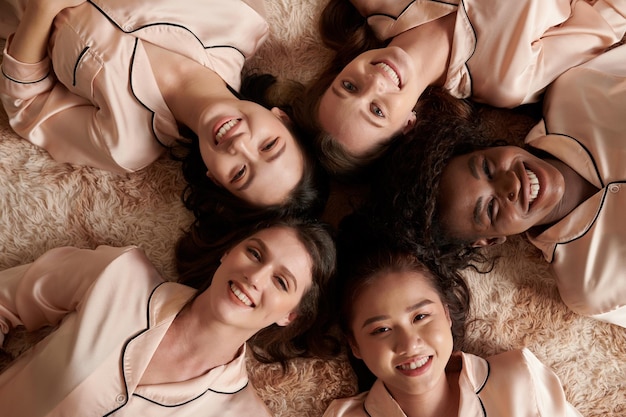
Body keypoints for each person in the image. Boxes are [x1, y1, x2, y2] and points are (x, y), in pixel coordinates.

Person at [364, 43, 626, 327]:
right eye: (489, 209)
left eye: (487, 168)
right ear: (489, 240)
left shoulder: (578, 91)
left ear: (485, 146)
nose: (508, 185)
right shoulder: (590, 288)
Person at [0, 0, 322, 213]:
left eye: (239, 173)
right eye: (269, 145)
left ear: (215, 180)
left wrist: (42, 11)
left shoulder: (125, 144)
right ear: (282, 117)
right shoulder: (242, 19)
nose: (241, 146)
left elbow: (28, 105)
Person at [0, 216, 337, 416]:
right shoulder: (119, 277)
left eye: (280, 281)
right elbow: (6, 296)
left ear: (290, 315)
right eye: (254, 253)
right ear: (227, 253)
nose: (255, 276)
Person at [292, 0, 626, 178]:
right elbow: (608, 17)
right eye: (377, 111)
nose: (375, 82)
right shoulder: (508, 80)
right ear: (407, 125)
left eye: (348, 86)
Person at [323, 214, 581, 416]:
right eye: (382, 330)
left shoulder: (519, 379)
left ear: (446, 314)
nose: (410, 343)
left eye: (420, 317)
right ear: (354, 344)